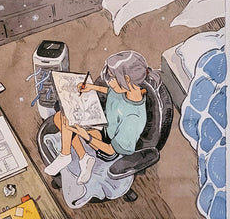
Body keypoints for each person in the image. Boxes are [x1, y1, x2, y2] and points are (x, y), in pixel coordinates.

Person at [44, 51, 153, 184]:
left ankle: (71, 155)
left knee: (69, 124)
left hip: (110, 148)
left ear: (127, 79)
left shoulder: (133, 119)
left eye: (112, 78)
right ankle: (79, 156)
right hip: (104, 125)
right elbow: (112, 93)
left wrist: (86, 136)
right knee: (60, 116)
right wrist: (91, 87)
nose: (110, 82)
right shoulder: (126, 90)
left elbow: (110, 150)